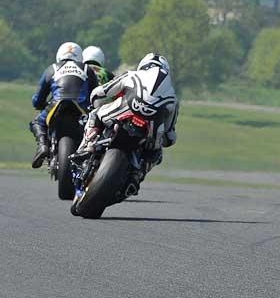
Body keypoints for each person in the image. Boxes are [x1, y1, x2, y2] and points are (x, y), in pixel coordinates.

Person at [76, 53, 178, 194]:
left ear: (143, 65)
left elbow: (100, 92)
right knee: (156, 151)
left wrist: (93, 104)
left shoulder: (132, 75)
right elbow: (170, 133)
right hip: (151, 128)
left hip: (124, 111)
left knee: (95, 114)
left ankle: (86, 148)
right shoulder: (172, 95)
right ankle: (137, 175)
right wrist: (164, 139)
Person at [29, 42, 98, 168]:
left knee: (37, 123)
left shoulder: (51, 69)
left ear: (59, 55)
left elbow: (37, 100)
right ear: (79, 56)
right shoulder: (87, 69)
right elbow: (96, 95)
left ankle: (42, 145)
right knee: (95, 126)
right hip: (81, 109)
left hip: (56, 105)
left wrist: (40, 104)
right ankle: (90, 151)